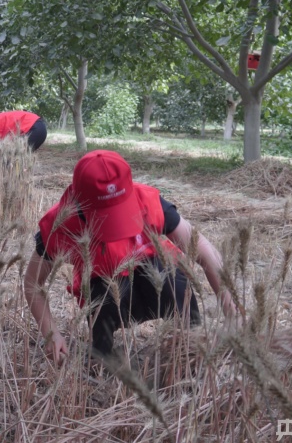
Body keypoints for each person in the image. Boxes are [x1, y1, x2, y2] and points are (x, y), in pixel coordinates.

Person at [23, 150, 236, 364]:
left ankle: (192, 345)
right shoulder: (58, 226)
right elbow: (33, 282)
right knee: (102, 292)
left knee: (173, 278)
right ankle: (100, 356)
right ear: (79, 201)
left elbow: (205, 252)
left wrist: (232, 311)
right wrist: (51, 333)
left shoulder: (149, 202)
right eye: (106, 217)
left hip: (159, 284)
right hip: (107, 296)